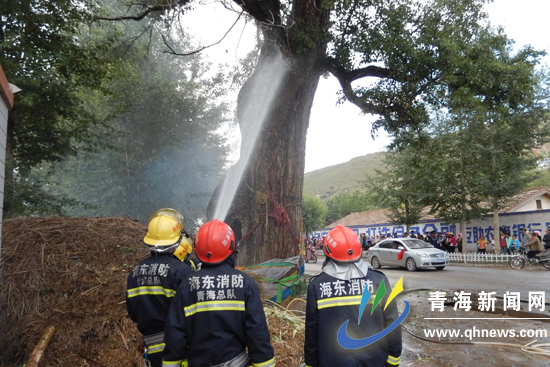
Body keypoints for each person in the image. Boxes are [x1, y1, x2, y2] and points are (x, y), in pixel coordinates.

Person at [162, 219, 275, 367]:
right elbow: (257, 334)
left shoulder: (187, 286)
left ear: (197, 249)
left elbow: (175, 335)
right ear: (232, 247)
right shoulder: (245, 284)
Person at [304, 225, 402, 367]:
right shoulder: (378, 280)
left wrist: (311, 363)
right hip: (375, 360)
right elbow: (392, 322)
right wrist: (393, 360)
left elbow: (312, 330)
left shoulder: (317, 285)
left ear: (327, 251)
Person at [126, 209, 194, 367]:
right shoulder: (181, 271)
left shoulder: (136, 272)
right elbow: (193, 312)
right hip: (179, 349)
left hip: (152, 350)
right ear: (176, 241)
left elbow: (133, 312)